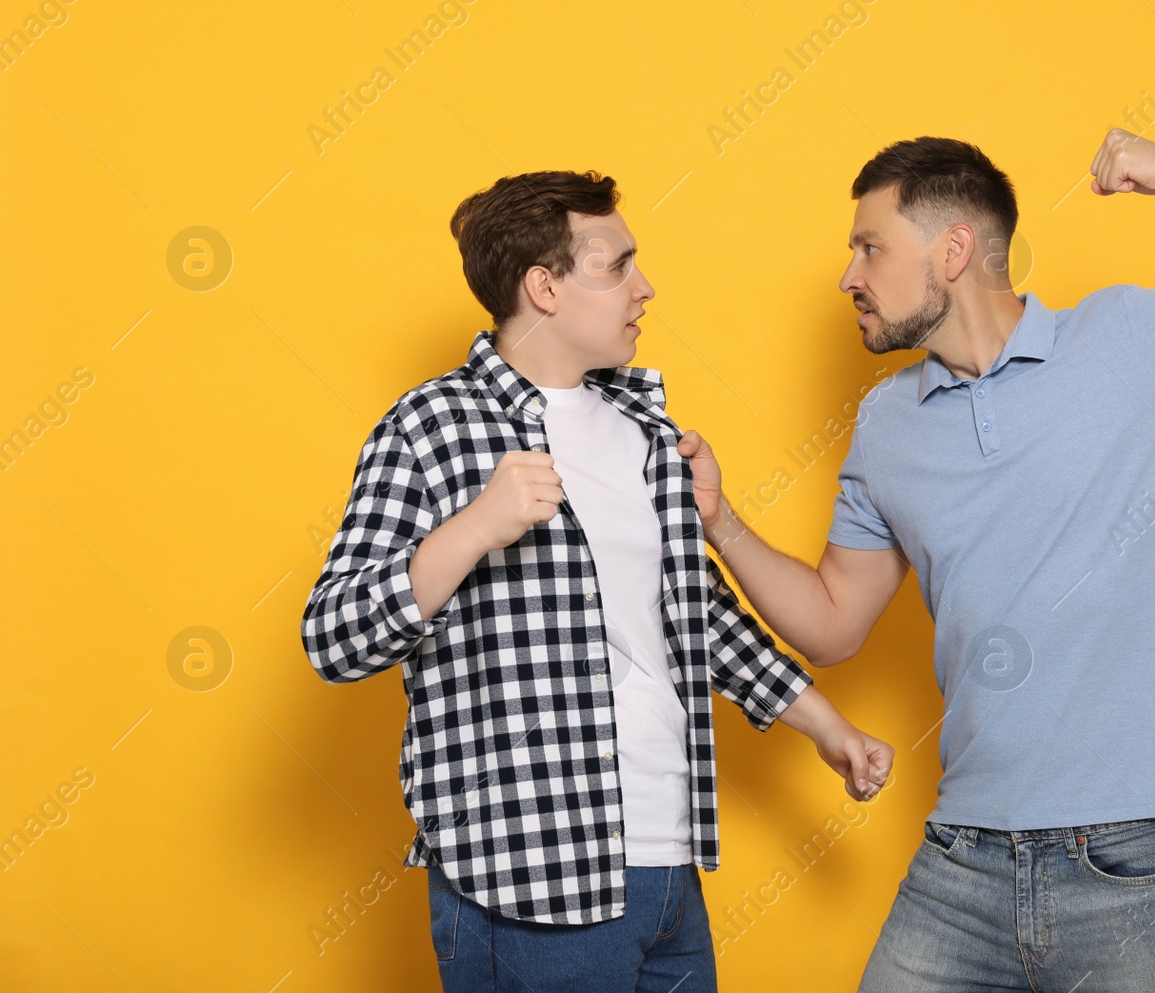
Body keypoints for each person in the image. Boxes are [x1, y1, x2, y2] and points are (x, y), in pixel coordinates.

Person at [676, 132, 1155, 991]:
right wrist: (720, 521)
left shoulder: (1135, 338)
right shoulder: (886, 422)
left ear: (953, 250)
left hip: (1138, 861)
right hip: (964, 859)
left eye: (870, 247)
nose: (850, 277)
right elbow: (833, 621)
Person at [301, 169, 893, 993]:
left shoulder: (647, 429)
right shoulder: (429, 426)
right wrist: (475, 526)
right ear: (544, 286)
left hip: (667, 862)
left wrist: (826, 726)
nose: (644, 287)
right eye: (616, 266)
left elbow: (695, 615)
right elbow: (334, 635)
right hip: (527, 872)